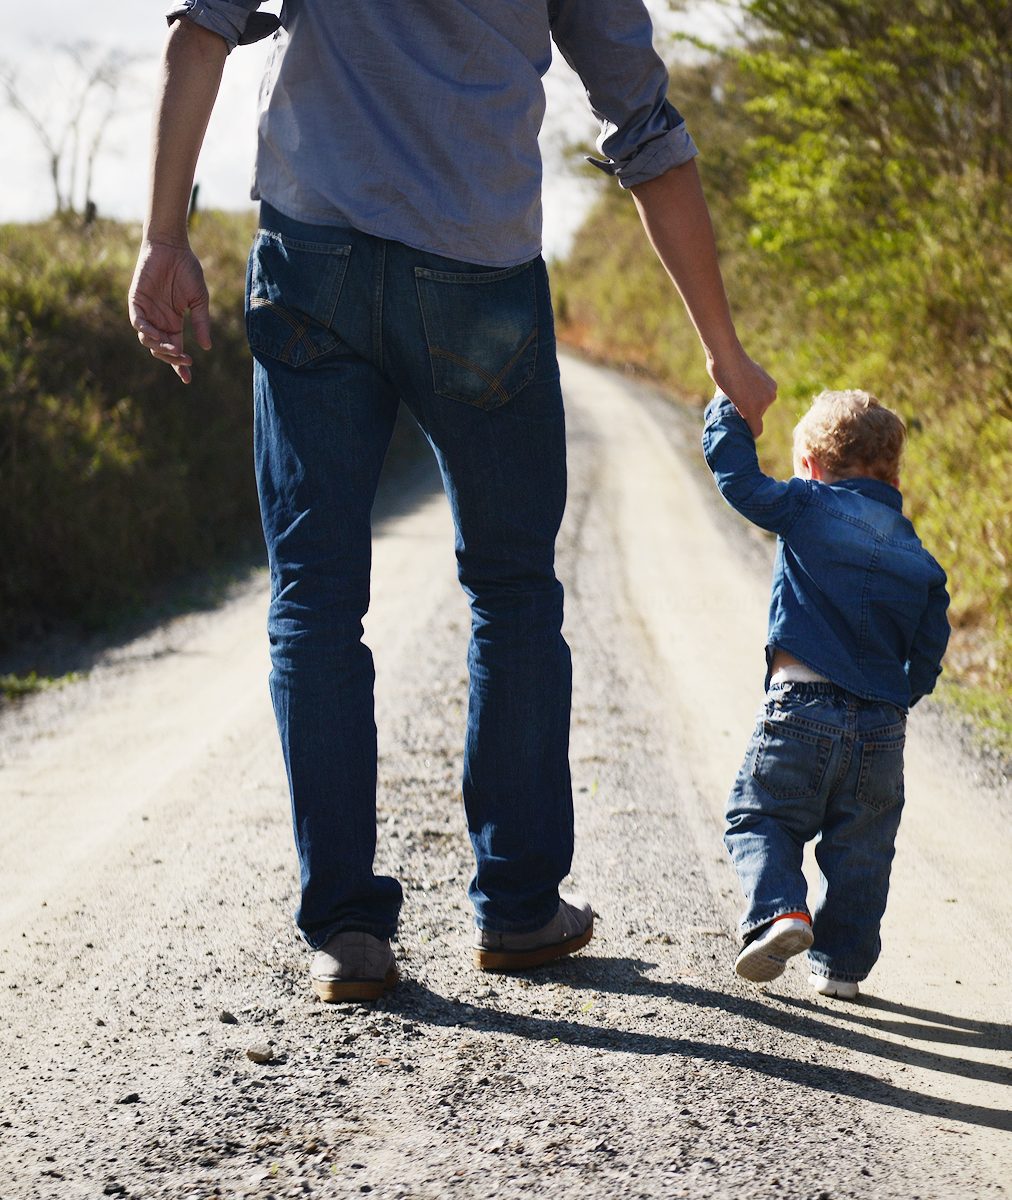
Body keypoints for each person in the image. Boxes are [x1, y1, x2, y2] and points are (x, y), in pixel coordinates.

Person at [129, 1, 776, 1001]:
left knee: (314, 594)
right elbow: (643, 127)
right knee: (513, 590)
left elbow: (200, 29)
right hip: (477, 276)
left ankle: (344, 930)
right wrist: (721, 350)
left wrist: (164, 236)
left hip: (312, 258)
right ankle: (518, 908)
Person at [702, 389, 950, 1000]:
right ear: (893, 472)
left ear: (810, 466)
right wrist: (894, 701)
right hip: (881, 729)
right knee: (861, 853)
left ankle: (781, 911)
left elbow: (739, 481)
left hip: (801, 707)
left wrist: (726, 410)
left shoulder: (807, 504)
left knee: (759, 816)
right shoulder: (919, 559)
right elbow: (929, 648)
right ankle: (841, 969)